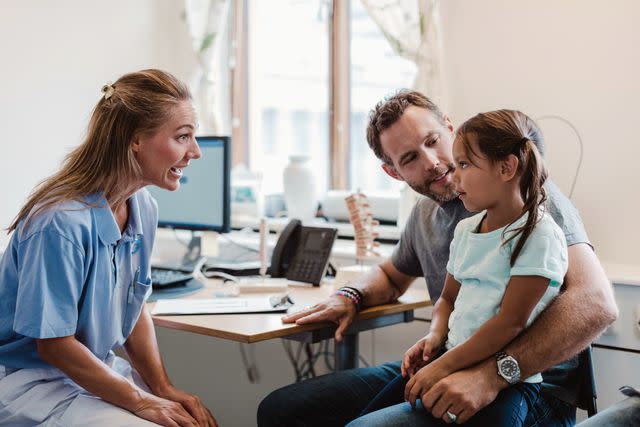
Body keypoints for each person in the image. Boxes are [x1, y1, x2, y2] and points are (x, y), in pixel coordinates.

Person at [257, 91, 618, 426]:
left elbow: (597, 304)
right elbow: (391, 275)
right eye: (410, 158)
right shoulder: (427, 216)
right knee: (281, 410)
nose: (432, 162)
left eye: (432, 141)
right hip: (452, 358)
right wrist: (350, 296)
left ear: (449, 127)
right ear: (393, 172)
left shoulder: (527, 198)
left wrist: (491, 374)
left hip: (526, 383)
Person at [0, 69, 217, 426]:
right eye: (183, 137)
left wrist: (162, 387)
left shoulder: (142, 207)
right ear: (134, 140)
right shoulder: (60, 222)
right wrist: (143, 403)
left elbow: (134, 305)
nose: (195, 152)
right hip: (31, 383)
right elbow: (53, 345)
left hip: (91, 374)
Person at [356, 109, 569, 426]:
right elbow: (448, 299)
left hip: (506, 380)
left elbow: (509, 323)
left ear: (506, 168)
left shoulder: (540, 235)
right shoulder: (467, 231)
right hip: (450, 357)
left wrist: (440, 367)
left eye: (465, 165)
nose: (454, 174)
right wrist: (435, 335)